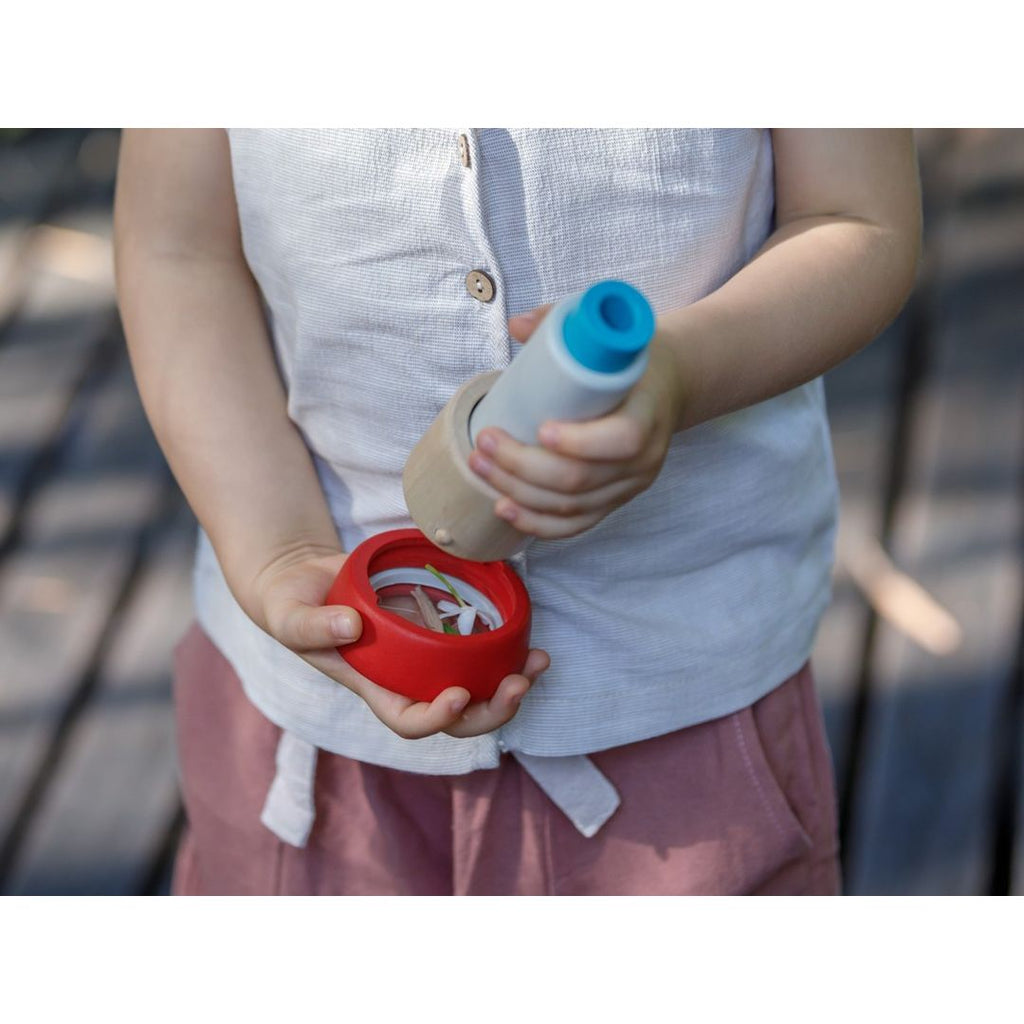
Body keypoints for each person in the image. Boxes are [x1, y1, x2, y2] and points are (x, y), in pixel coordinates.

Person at [114, 129, 921, 895]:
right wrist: (278, 548)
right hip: (311, 739)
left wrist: (679, 373)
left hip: (683, 716)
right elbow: (178, 250)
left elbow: (856, 218)